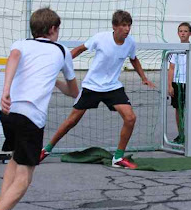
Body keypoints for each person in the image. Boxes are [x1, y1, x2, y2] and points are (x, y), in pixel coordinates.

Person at [0, 7, 79, 210]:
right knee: (25, 177)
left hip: (8, 111)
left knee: (15, 160)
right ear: (53, 29)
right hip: (30, 117)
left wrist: (5, 91)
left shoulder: (21, 43)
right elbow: (73, 91)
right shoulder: (61, 50)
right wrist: (58, 81)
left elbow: (13, 59)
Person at [40, 10, 156, 169]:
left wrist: (144, 78)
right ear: (114, 26)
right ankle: (46, 150)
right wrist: (61, 62)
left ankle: (118, 158)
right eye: (123, 25)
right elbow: (80, 49)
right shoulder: (101, 38)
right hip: (92, 86)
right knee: (71, 121)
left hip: (112, 86)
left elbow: (134, 59)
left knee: (130, 118)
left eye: (129, 25)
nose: (127, 29)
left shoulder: (130, 42)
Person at [167, 22, 191, 144]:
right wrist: (170, 85)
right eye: (181, 31)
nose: (183, 33)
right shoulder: (175, 50)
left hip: (190, 83)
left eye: (185, 31)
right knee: (179, 110)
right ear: (178, 33)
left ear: (190, 33)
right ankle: (181, 134)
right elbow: (171, 68)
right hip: (178, 83)